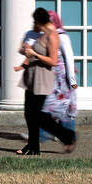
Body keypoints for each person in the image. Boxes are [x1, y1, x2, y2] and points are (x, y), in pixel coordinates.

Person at [14, 6, 77, 156]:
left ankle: (67, 136)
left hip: (43, 79)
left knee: (40, 117)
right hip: (32, 76)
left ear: (39, 22)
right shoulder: (40, 33)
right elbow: (28, 52)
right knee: (29, 114)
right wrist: (26, 51)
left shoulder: (54, 36)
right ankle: (33, 147)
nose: (33, 25)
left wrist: (34, 53)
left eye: (34, 22)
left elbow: (53, 61)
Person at [39, 9, 78, 145]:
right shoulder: (47, 37)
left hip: (63, 79)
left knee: (64, 108)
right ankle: (44, 134)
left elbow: (69, 59)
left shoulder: (62, 37)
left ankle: (48, 135)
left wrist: (72, 81)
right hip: (51, 78)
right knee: (47, 106)